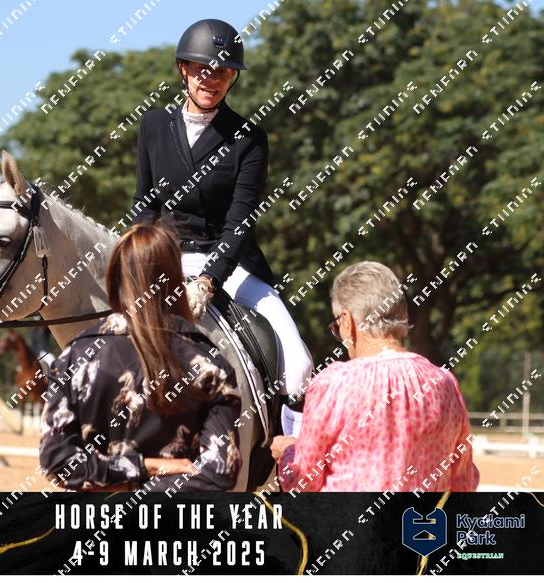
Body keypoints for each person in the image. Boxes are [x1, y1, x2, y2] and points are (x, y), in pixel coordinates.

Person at [129, 18, 313, 431]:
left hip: (228, 265)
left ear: (232, 78)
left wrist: (209, 281)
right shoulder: (154, 125)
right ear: (184, 69)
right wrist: (138, 260)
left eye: (223, 72)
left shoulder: (249, 139)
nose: (211, 79)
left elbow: (239, 222)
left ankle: (291, 455)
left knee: (298, 360)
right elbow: (145, 205)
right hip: (166, 258)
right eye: (202, 69)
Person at [38, 221, 243, 492]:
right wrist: (149, 469)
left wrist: (130, 475)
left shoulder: (72, 359)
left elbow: (56, 461)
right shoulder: (212, 367)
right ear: (176, 280)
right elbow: (220, 471)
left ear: (114, 279)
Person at [270, 261, 480, 492]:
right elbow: (464, 483)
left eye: (337, 325)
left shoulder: (334, 383)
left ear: (347, 321)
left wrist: (288, 452)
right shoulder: (445, 383)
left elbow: (302, 483)